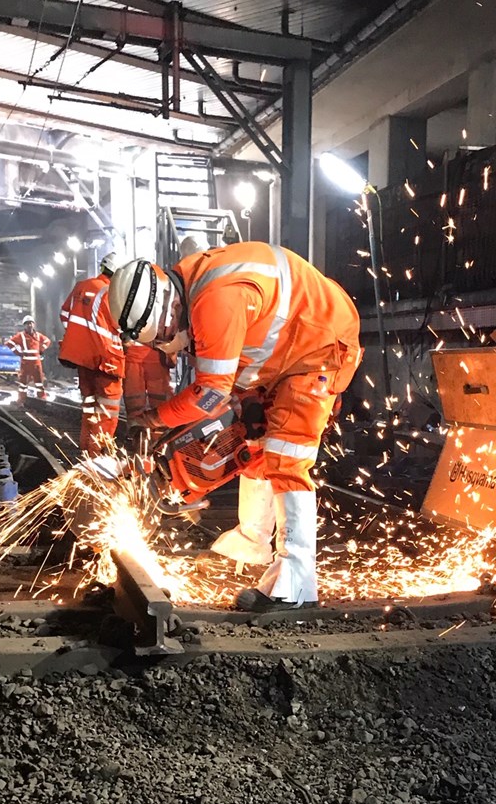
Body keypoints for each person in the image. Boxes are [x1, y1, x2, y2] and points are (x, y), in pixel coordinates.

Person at [108, 241, 362, 612]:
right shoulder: (194, 284)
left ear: (168, 310)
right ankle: (252, 541)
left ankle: (297, 582)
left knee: (286, 456)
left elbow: (210, 394)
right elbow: (228, 381)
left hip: (321, 348)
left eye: (163, 339)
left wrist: (156, 420)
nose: (170, 350)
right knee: (255, 441)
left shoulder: (215, 300)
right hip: (286, 355)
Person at [59, 252, 124, 455]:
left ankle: (86, 452)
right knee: (108, 409)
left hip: (82, 360)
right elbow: (121, 327)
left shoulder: (81, 287)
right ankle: (98, 461)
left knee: (90, 406)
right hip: (106, 359)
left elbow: (64, 316)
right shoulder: (111, 293)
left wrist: (82, 340)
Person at [123, 340, 172, 432]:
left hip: (155, 354)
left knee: (157, 396)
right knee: (134, 394)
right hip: (137, 355)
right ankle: (137, 429)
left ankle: (158, 426)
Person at [6, 315, 51, 403]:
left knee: (39, 383)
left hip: (36, 363)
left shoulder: (38, 335)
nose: (29, 325)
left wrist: (41, 349)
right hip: (26, 363)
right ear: (24, 325)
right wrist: (18, 353)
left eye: (31, 323)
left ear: (33, 324)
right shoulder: (21, 336)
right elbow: (9, 343)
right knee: (23, 384)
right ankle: (22, 401)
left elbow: (47, 341)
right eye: (27, 324)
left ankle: (42, 400)